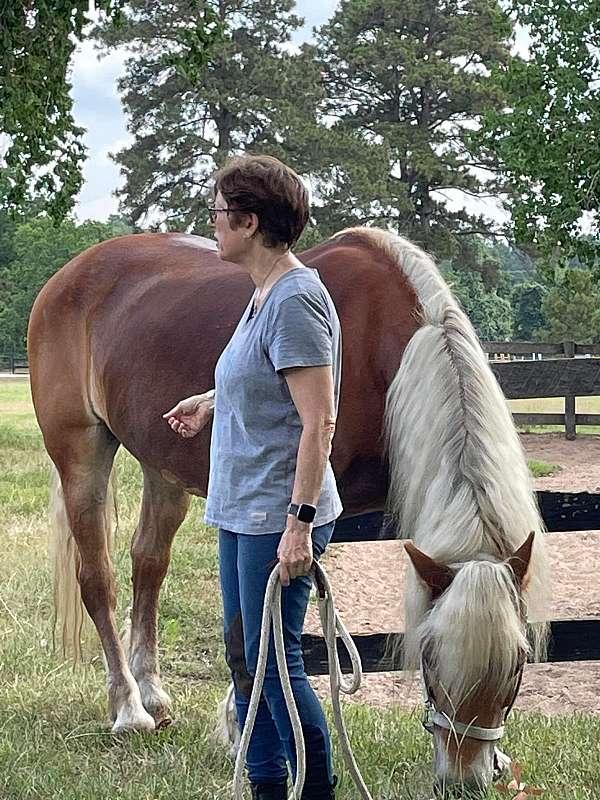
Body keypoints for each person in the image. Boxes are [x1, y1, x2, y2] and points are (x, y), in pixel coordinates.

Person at [163, 155, 342, 800]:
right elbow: (265, 381)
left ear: (248, 220)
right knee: (248, 664)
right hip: (242, 508)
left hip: (277, 514)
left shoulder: (295, 299)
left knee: (277, 667)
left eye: (216, 213)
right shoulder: (263, 293)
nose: (211, 225)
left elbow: (319, 421)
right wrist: (210, 401)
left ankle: (317, 789)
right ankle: (268, 786)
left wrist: (299, 525)